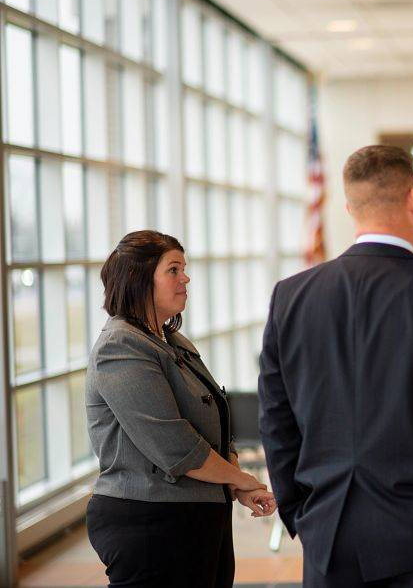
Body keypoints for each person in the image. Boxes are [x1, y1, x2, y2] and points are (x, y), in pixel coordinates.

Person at [259, 145, 413, 587]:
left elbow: (276, 421)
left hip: (329, 537)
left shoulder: (292, 297)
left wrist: (299, 513)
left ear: (348, 207)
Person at [86, 230, 276, 588]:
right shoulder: (121, 346)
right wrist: (244, 479)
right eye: (173, 269)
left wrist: (238, 486)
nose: (185, 278)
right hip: (150, 525)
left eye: (183, 269)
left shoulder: (172, 342)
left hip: (195, 520)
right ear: (138, 278)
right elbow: (177, 447)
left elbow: (213, 428)